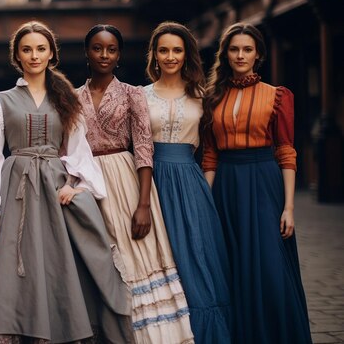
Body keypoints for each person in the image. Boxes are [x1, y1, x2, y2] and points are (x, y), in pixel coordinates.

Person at [0, 21, 132, 343]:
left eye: (40, 49)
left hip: (54, 189)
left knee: (56, 265)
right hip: (14, 189)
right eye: (27, 50)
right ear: (17, 57)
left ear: (52, 54)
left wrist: (76, 185)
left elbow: (80, 152)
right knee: (12, 265)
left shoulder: (66, 99)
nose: (34, 56)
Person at [76, 24, 194, 343]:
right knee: (100, 261)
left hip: (127, 182)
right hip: (88, 184)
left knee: (137, 258)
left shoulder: (133, 93)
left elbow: (143, 147)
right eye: (98, 48)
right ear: (87, 52)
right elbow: (68, 151)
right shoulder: (72, 98)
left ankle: (149, 336)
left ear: (119, 54)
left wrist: (143, 204)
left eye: (112, 49)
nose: (104, 55)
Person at [202, 22, 312, 344]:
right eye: (234, 49)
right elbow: (209, 156)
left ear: (258, 54)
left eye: (247, 49)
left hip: (265, 183)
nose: (240, 55)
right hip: (226, 186)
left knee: (270, 267)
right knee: (233, 266)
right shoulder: (212, 97)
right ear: (225, 54)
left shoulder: (277, 96)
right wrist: (206, 202)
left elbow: (286, 152)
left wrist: (289, 207)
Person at [143, 21, 232, 343]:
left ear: (187, 54)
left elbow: (211, 151)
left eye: (177, 50)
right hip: (151, 184)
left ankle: (206, 333)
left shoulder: (202, 96)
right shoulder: (139, 97)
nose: (170, 56)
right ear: (153, 54)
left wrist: (204, 189)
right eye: (163, 50)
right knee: (160, 258)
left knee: (197, 255)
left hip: (191, 184)